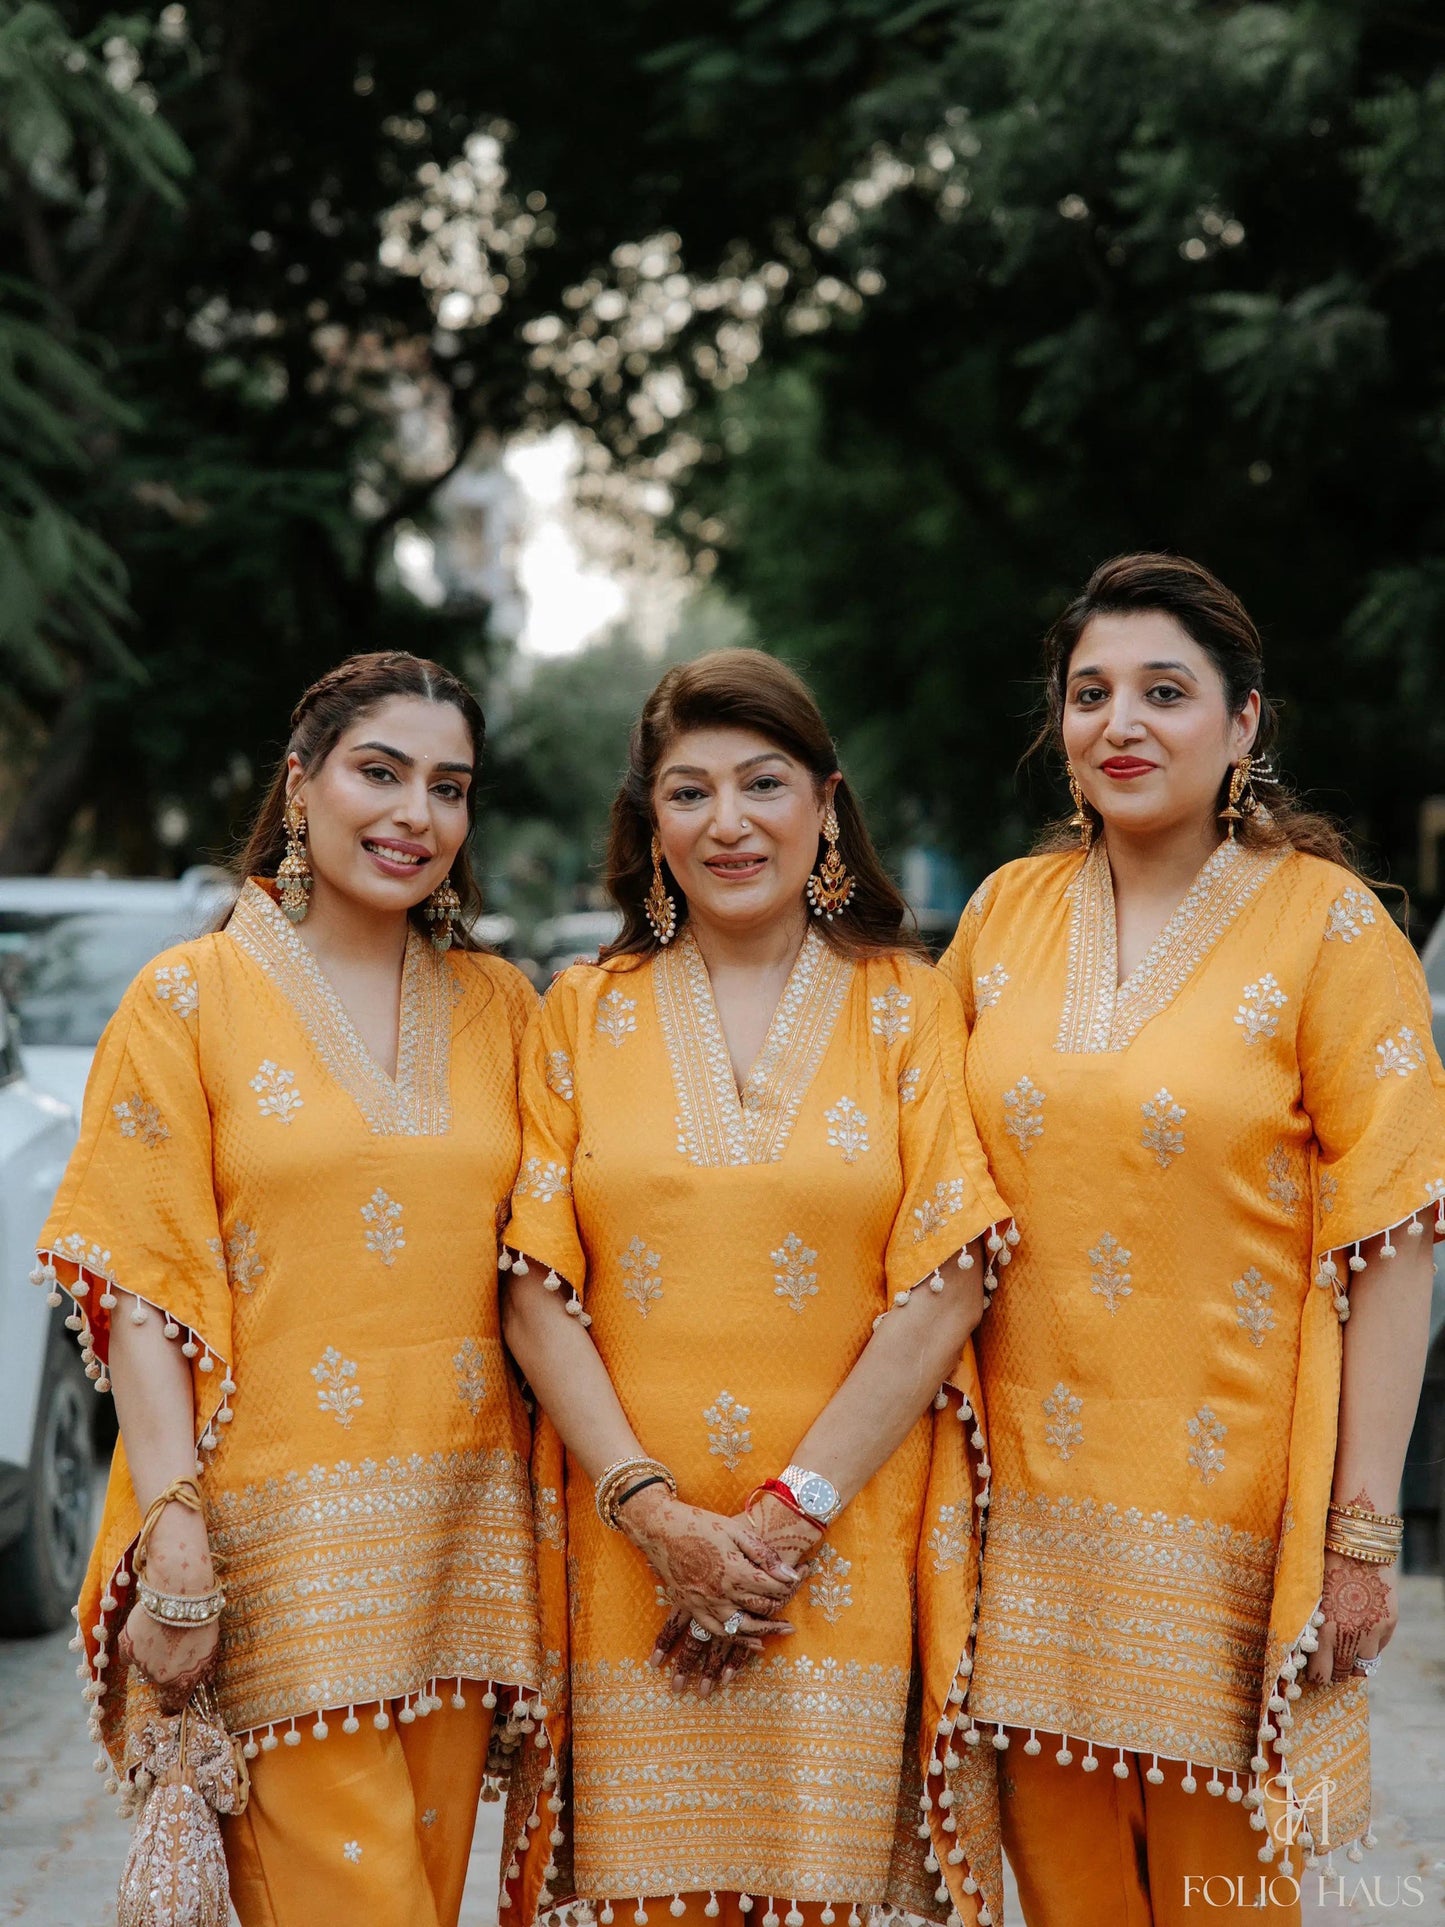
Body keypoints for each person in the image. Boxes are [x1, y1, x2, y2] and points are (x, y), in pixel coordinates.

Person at [939, 554, 1444, 1927]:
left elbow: (1395, 1234)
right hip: (1020, 1518)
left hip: (1232, 1520)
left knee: (1226, 1900)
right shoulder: (999, 919)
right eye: (1090, 691)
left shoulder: (1329, 927)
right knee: (1068, 1896)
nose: (1122, 722)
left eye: (1165, 691)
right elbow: (923, 1191)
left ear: (1243, 722)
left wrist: (1358, 1529)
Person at [498, 649, 1015, 1927]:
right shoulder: (578, 1012)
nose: (727, 823)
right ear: (651, 826)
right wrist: (660, 1518)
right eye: (688, 793)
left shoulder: (908, 1007)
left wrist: (781, 1523)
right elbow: (532, 1289)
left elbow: (946, 1282)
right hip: (629, 1566)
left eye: (762, 782)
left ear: (825, 804)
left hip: (839, 1561)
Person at [35, 652, 544, 1927]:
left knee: (425, 1896)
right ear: (301, 782)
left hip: (462, 1542)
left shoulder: (499, 1008)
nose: (414, 815)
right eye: (380, 772)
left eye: (448, 785)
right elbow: (141, 1283)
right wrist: (175, 1531)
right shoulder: (187, 1001)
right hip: (271, 1550)